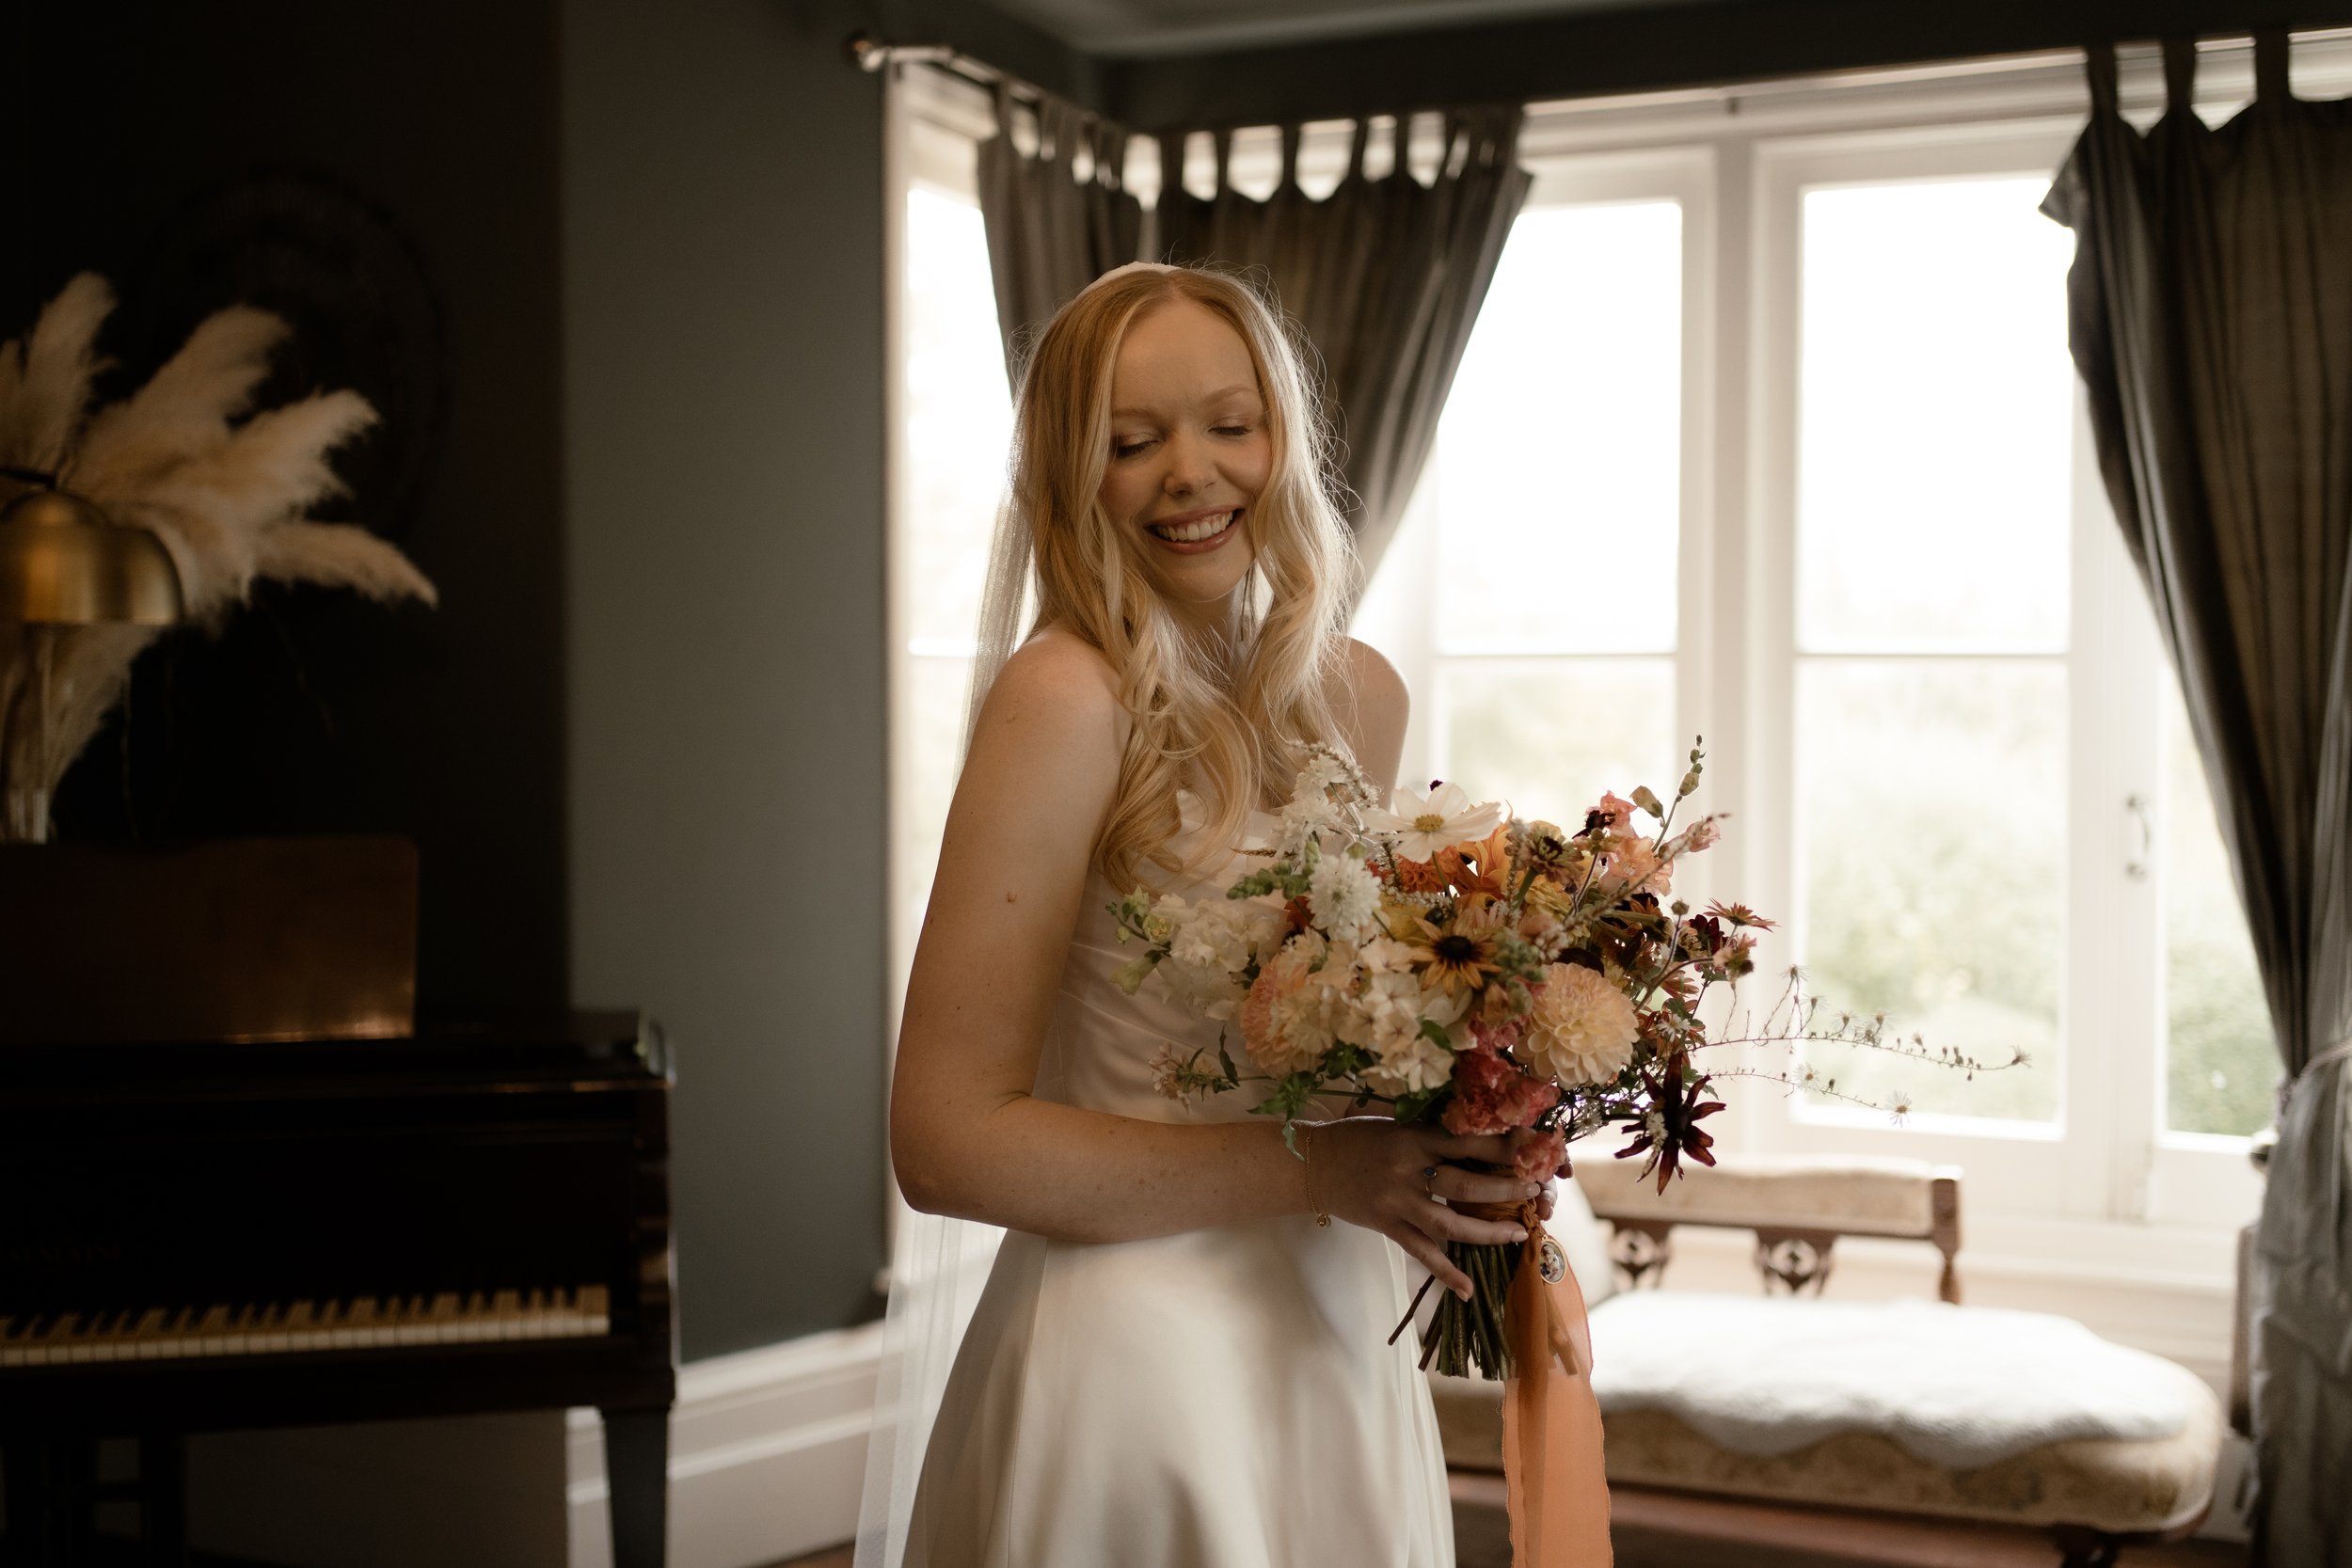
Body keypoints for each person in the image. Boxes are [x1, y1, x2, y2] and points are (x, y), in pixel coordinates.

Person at [853, 261, 1561, 1568]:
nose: (1192, 472)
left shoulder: (1358, 696)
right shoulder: (1065, 702)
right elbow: (945, 1142)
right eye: (1133, 441)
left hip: (1337, 1339)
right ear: (1076, 476)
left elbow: (1363, 1031)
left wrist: (1485, 1098)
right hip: (1140, 1362)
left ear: (1283, 441)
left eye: (1231, 424)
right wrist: (1333, 1171)